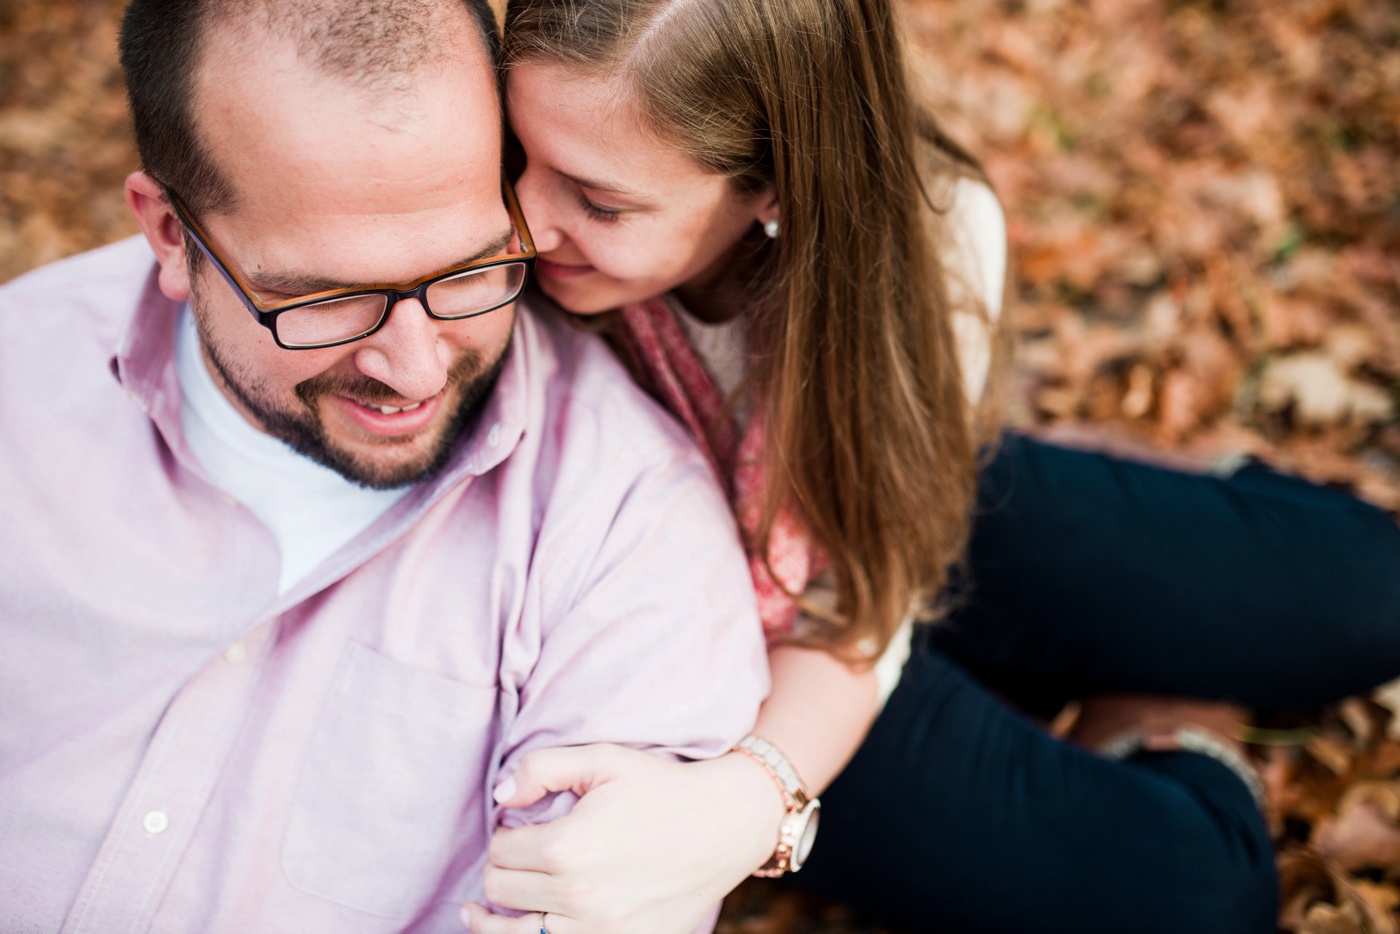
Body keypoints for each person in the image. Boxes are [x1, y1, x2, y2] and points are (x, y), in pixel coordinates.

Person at [461, 1, 1400, 933]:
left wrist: (774, 773)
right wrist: (753, 796)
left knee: (1371, 591)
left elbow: (873, 593)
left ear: (777, 187)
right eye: (515, 157)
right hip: (739, 661)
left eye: (600, 201)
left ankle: (1116, 551)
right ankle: (1161, 703)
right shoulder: (478, 268)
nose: (525, 223)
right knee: (1200, 897)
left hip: (880, 517)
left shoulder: (925, 236)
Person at [0, 0, 770, 930]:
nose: (412, 369)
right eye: (327, 298)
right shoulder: (22, 378)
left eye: (467, 272)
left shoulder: (627, 530)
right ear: (170, 232)